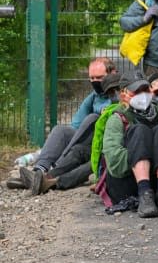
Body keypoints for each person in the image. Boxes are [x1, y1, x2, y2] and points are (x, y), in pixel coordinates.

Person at [10, 58, 117, 193]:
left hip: (108, 147)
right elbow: (76, 127)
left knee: (92, 119)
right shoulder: (94, 96)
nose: (95, 81)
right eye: (92, 78)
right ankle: (39, 171)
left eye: (100, 78)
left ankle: (46, 177)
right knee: (62, 131)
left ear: (113, 73)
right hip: (90, 144)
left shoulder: (122, 93)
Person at [102, 70, 158, 218]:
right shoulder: (117, 119)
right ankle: (144, 194)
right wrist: (144, 155)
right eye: (136, 92)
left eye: (145, 90)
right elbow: (114, 162)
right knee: (140, 131)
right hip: (126, 183)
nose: (143, 95)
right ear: (123, 95)